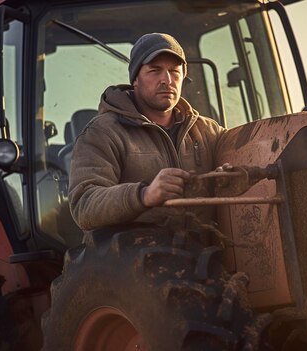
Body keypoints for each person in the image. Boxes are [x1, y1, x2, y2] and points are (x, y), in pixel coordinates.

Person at [68, 33, 226, 231]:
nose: (166, 80)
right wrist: (144, 195)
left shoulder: (209, 132)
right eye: (155, 70)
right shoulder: (103, 133)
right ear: (135, 79)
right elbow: (84, 205)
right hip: (130, 256)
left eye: (174, 71)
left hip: (204, 255)